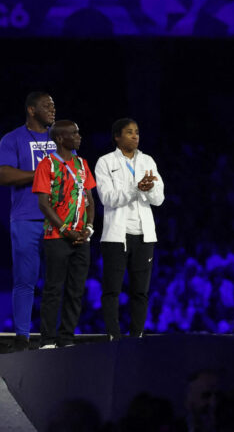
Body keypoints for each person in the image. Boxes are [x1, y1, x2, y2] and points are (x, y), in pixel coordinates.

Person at [0, 91, 57, 351]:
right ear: (31, 110)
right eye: (46, 105)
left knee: (57, 282)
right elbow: (4, 175)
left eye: (54, 105)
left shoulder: (61, 137)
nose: (52, 109)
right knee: (25, 280)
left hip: (57, 220)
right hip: (26, 219)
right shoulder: (12, 139)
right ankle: (23, 337)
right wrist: (42, 173)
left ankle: (52, 337)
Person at [95, 118, 165, 340]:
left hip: (144, 235)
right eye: (129, 132)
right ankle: (113, 336)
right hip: (116, 235)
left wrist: (149, 188)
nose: (135, 136)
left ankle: (137, 336)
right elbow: (107, 198)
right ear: (117, 137)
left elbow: (159, 199)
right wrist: (137, 189)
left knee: (140, 291)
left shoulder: (148, 161)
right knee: (112, 290)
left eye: (137, 132)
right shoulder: (105, 162)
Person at [32, 120, 96, 349]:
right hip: (57, 237)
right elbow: (43, 204)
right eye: (74, 133)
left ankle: (66, 338)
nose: (79, 137)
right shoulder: (47, 165)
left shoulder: (82, 164)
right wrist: (65, 230)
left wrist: (88, 228)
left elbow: (90, 201)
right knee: (53, 289)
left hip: (81, 237)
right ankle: (47, 340)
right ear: (60, 138)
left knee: (76, 290)